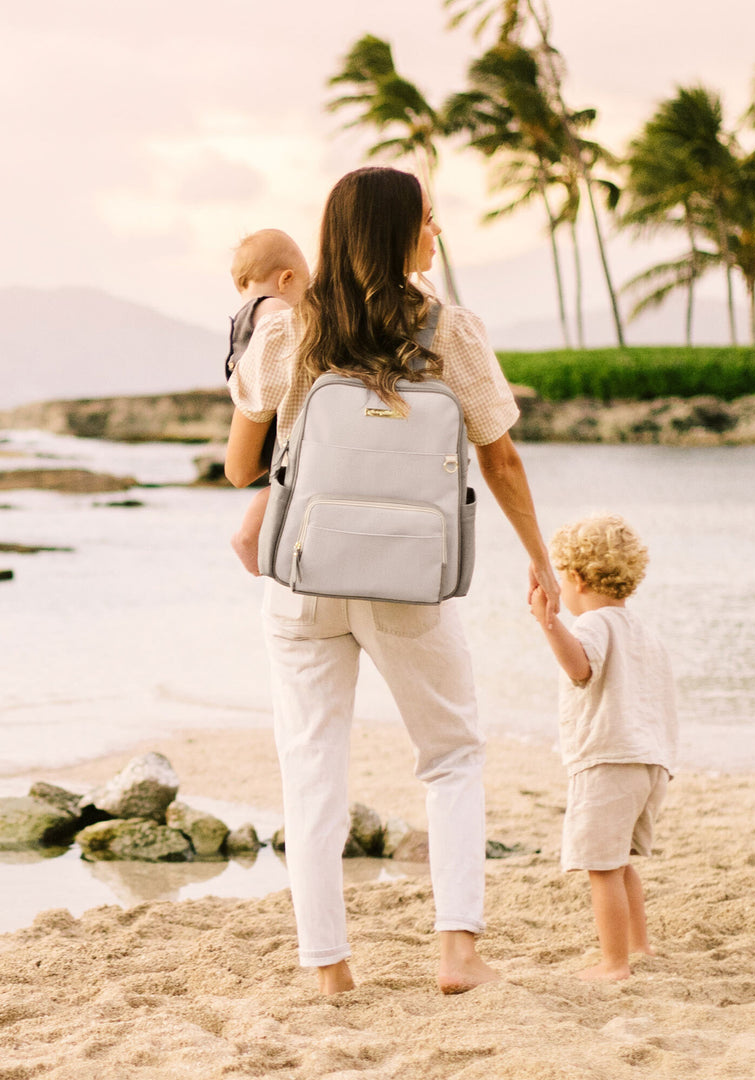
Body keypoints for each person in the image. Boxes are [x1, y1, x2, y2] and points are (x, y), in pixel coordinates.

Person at [224, 166, 560, 996]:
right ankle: (457, 955)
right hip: (410, 579)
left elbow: (242, 467)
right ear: (396, 233)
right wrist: (539, 558)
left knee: (311, 768)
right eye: (428, 220)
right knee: (450, 756)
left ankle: (329, 968)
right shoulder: (452, 332)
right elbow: (501, 456)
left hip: (304, 576)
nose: (436, 232)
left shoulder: (289, 331)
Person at [529, 514, 677, 982]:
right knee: (620, 862)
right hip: (649, 763)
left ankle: (614, 963)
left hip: (608, 760)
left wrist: (548, 622)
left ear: (574, 578)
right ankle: (638, 945)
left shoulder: (592, 624)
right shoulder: (643, 632)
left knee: (600, 867)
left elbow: (580, 669)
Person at [223, 229, 310, 575]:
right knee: (283, 485)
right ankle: (250, 544)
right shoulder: (274, 308)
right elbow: (277, 341)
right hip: (271, 401)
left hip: (259, 403)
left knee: (280, 484)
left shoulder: (245, 313)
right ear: (286, 278)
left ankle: (252, 546)